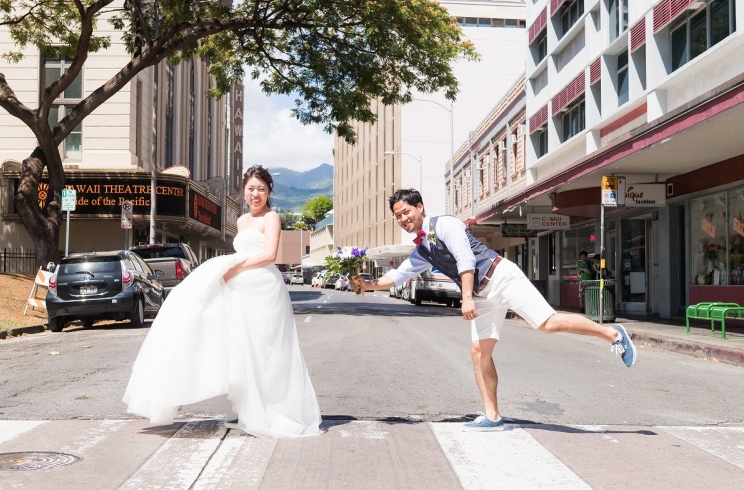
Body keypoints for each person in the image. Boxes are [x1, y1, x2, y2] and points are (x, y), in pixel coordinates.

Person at [350, 188, 637, 431]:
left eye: (405, 212)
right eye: (397, 216)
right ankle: (492, 415)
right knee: (479, 353)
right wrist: (366, 285)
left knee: (547, 323)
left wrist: (465, 298)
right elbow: (397, 276)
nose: (402, 219)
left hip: (500, 277)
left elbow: (465, 258)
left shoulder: (446, 225)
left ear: (420, 207)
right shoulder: (423, 247)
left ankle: (612, 333)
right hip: (482, 295)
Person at [123, 165, 322, 438]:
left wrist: (233, 270)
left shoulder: (272, 217)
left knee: (266, 352)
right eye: (251, 189)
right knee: (239, 348)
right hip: (239, 290)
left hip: (263, 289)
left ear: (269, 192)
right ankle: (247, 409)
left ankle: (271, 410)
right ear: (243, 191)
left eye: (261, 189)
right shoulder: (241, 221)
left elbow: (270, 255)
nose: (256, 194)